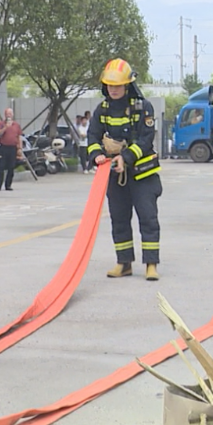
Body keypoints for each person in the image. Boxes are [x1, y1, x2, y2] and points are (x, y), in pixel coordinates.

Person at [86, 58, 162, 281]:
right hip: (115, 175)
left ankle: (151, 264)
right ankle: (124, 263)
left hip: (142, 175)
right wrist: (96, 155)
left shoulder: (143, 107)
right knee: (119, 219)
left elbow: (146, 139)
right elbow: (92, 136)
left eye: (118, 85)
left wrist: (126, 157)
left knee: (148, 218)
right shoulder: (102, 109)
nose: (114, 89)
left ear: (127, 85)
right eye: (110, 85)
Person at [0, 108, 22, 191]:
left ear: (13, 114)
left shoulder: (16, 125)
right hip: (3, 147)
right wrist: (5, 127)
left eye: (10, 113)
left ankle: (8, 185)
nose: (9, 115)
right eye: (7, 113)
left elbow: (19, 137)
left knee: (11, 167)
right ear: (5, 115)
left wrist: (20, 148)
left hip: (13, 148)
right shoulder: (1, 123)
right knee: (1, 167)